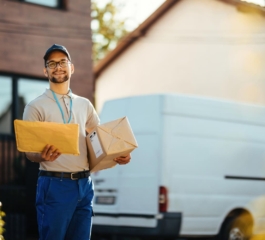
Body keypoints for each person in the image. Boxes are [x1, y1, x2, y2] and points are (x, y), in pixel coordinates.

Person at [23, 44, 131, 240]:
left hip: (85, 185)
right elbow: (28, 151)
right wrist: (40, 155)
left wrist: (118, 154)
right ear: (45, 70)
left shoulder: (84, 105)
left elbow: (99, 141)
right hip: (55, 184)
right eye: (52, 63)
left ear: (71, 67)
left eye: (63, 62)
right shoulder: (35, 106)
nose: (58, 67)